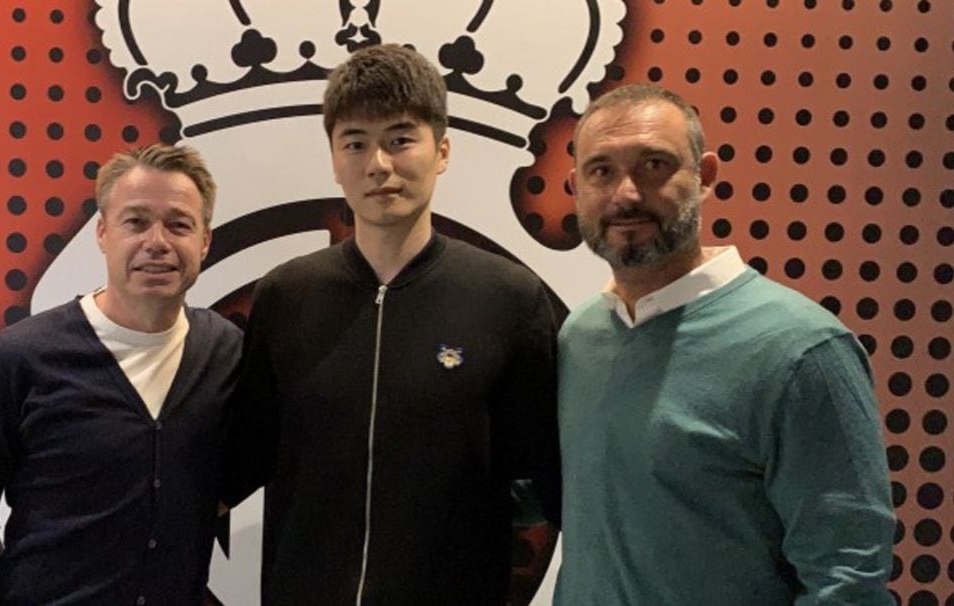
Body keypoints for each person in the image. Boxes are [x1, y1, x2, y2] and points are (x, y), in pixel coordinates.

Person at [226, 44, 560, 605]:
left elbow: (545, 481)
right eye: (355, 142)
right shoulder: (286, 295)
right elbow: (243, 458)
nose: (378, 163)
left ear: (443, 150)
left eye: (400, 139)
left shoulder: (509, 299)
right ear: (334, 160)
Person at [555, 83, 895, 605]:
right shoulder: (581, 337)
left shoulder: (802, 350)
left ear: (705, 176)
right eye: (601, 170)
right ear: (574, 187)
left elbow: (846, 578)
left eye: (654, 165)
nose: (625, 194)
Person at [0, 144, 243, 604]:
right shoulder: (19, 358)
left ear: (205, 241)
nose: (157, 241)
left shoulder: (226, 351)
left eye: (179, 224)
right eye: (135, 222)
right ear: (102, 233)